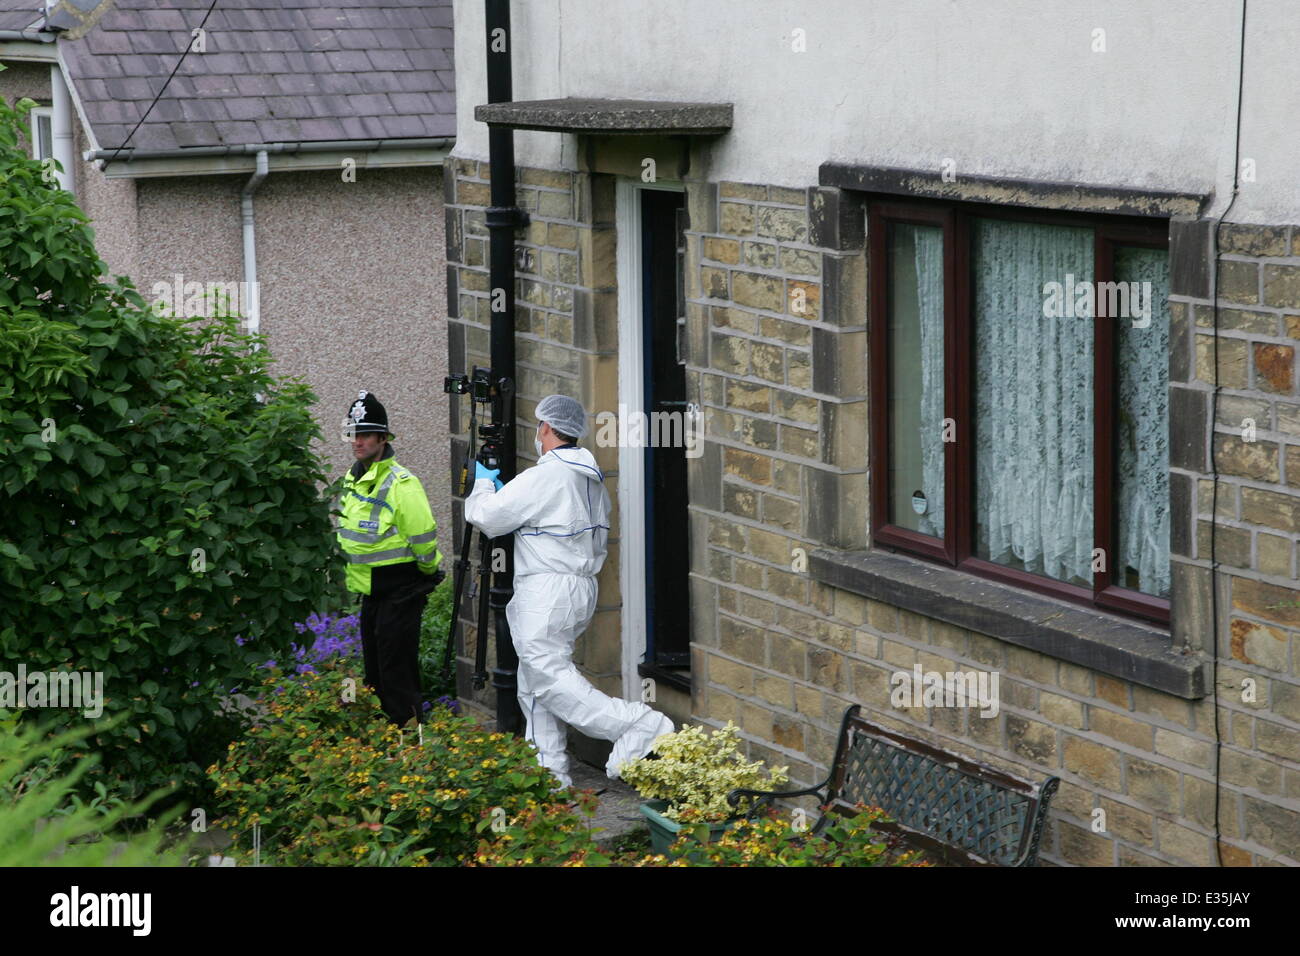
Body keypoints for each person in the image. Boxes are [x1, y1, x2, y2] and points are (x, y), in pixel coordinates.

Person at [464, 394, 674, 789]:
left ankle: (639, 724)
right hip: (577, 589)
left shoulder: (547, 475)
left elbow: (488, 519)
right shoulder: (590, 478)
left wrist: (481, 486)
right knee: (535, 684)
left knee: (549, 679)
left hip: (546, 589)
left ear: (545, 428)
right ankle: (550, 776)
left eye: (538, 428)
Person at [335, 390, 444, 725]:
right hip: (372, 592)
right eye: (354, 434)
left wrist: (427, 572)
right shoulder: (353, 480)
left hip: (401, 590)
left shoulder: (402, 483)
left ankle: (411, 745)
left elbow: (423, 538)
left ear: (382, 438)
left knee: (397, 675)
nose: (358, 441)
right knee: (375, 675)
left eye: (365, 434)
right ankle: (387, 743)